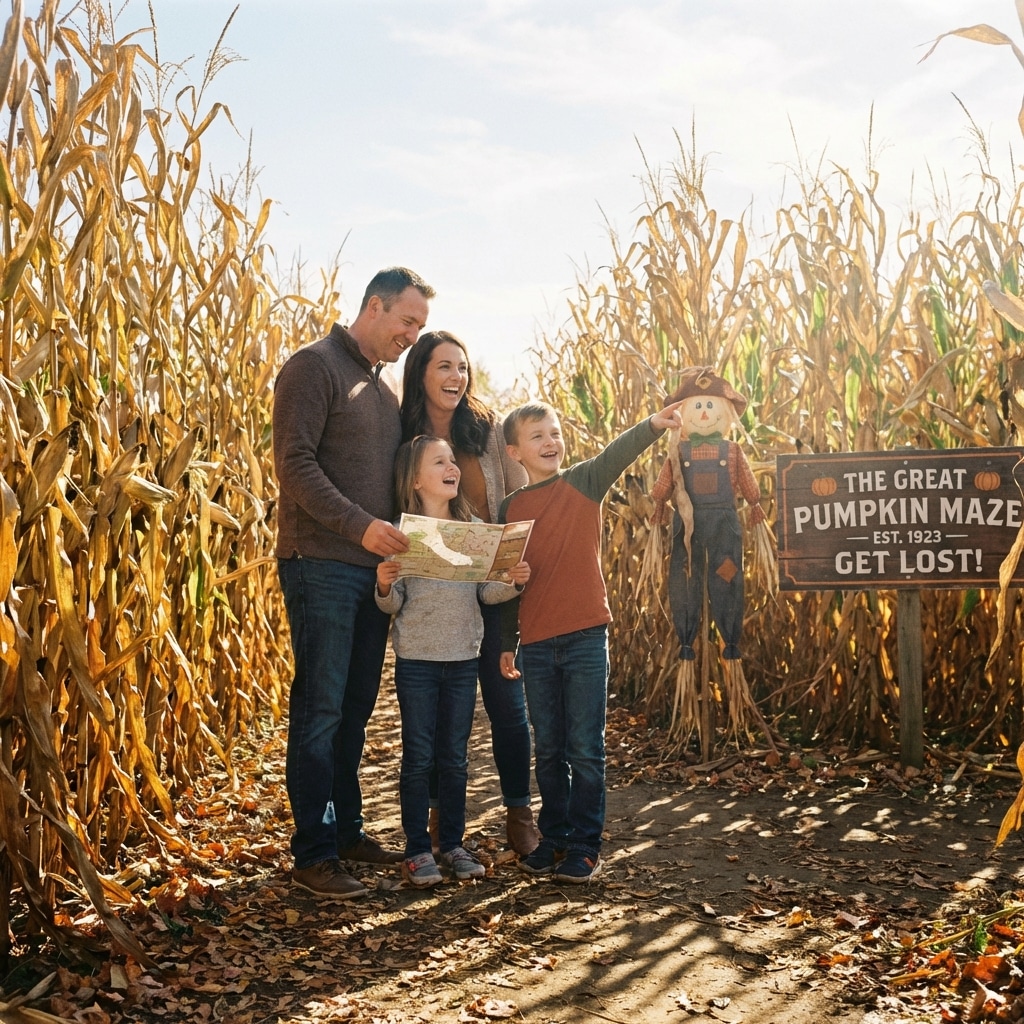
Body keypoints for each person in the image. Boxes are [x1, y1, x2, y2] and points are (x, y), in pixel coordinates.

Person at [273, 266, 434, 900]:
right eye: (406, 321)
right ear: (374, 306)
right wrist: (359, 526)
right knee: (320, 709)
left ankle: (345, 834)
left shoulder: (384, 390)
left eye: (419, 326)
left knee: (354, 711)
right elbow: (294, 464)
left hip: (372, 575)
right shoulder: (314, 367)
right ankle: (313, 851)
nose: (411, 336)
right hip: (320, 564)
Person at [498, 398, 682, 883]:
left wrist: (653, 425)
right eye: (536, 436)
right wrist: (504, 638)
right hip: (535, 642)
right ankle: (553, 837)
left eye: (555, 432)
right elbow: (503, 586)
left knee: (585, 747)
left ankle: (584, 844)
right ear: (514, 451)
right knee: (550, 748)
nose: (550, 442)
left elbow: (614, 455)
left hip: (583, 636)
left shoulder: (582, 482)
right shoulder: (510, 508)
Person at [400, 331, 540, 856]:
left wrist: (514, 567)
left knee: (507, 701)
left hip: (493, 581)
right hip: (436, 593)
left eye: (462, 367)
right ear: (421, 374)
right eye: (443, 367)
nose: (456, 377)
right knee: (439, 721)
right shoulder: (404, 435)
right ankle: (440, 820)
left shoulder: (486, 432)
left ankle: (519, 811)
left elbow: (515, 498)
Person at [375, 436, 531, 887]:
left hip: (463, 658)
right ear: (416, 479)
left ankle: (454, 844)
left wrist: (513, 582)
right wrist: (384, 585)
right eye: (439, 461)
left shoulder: (471, 529)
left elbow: (486, 592)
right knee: (419, 756)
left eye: (452, 460)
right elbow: (393, 604)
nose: (452, 466)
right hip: (418, 662)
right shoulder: (402, 535)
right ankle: (417, 850)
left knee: (455, 758)